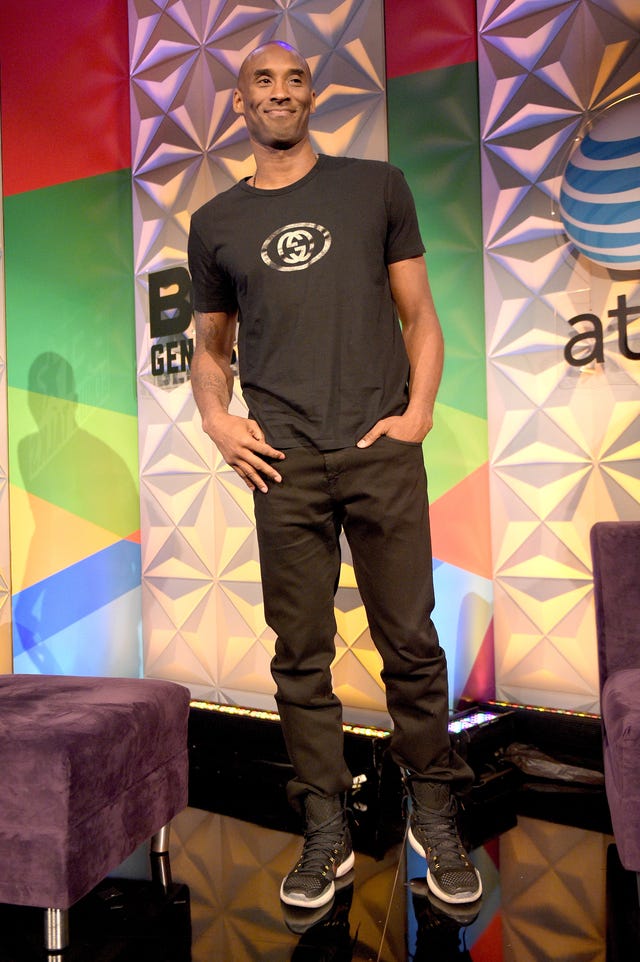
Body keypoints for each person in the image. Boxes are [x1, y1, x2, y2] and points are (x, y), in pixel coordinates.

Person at [187, 40, 482, 913]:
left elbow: (420, 316)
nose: (279, 92)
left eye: (295, 79)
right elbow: (211, 348)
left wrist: (417, 414)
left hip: (379, 449)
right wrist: (216, 419)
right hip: (283, 463)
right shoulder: (216, 222)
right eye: (262, 81)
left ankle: (435, 808)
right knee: (300, 655)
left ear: (312, 96)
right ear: (239, 103)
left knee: (411, 642)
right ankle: (326, 828)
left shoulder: (376, 187)